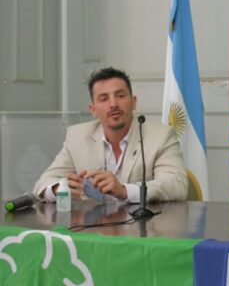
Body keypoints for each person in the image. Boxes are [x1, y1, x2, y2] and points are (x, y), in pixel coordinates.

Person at [33, 67, 188, 203]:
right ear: (93, 109)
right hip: (93, 224)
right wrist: (58, 188)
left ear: (133, 102)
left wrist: (125, 190)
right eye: (104, 98)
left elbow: (177, 185)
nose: (113, 104)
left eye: (120, 96)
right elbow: (43, 183)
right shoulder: (77, 137)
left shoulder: (161, 136)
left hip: (144, 225)